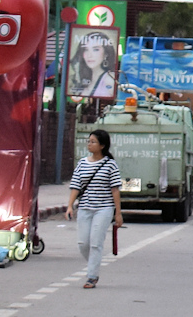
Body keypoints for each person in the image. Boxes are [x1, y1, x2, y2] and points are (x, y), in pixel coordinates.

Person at [67, 130, 123, 289]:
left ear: (102, 145)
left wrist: (118, 213)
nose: (89, 144)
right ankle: (94, 264)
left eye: (93, 142)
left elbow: (115, 190)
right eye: (88, 141)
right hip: (85, 208)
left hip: (103, 209)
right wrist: (69, 205)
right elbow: (75, 186)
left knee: (95, 243)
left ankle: (92, 276)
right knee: (83, 243)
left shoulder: (110, 164)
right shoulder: (82, 163)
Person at [67, 32, 118, 98]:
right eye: (86, 50)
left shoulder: (109, 79)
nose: (89, 55)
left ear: (106, 53)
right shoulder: (83, 79)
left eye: (96, 49)